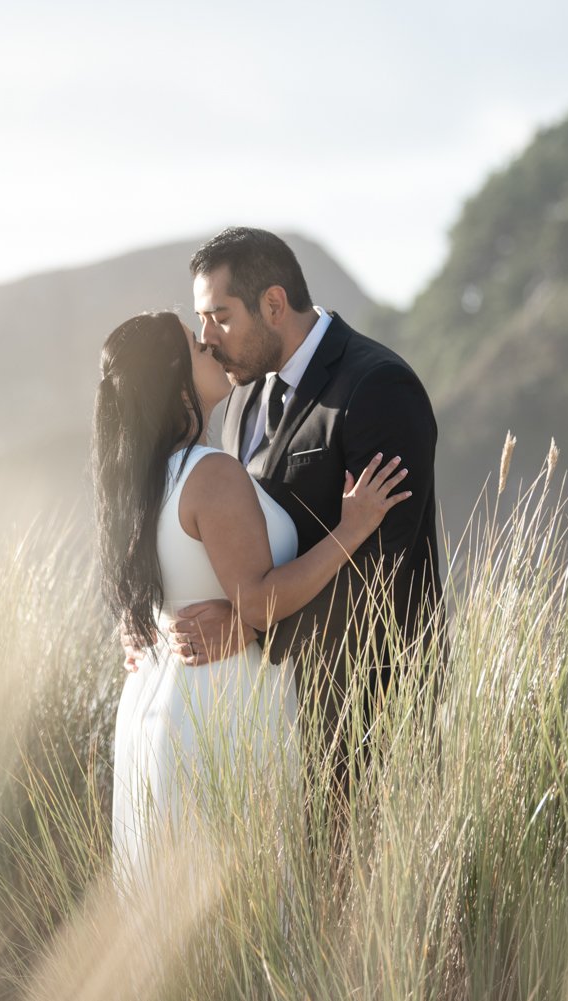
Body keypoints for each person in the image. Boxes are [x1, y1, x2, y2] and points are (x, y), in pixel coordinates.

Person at [92, 310, 410, 882]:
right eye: (196, 344)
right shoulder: (210, 472)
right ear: (174, 373)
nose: (209, 346)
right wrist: (354, 527)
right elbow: (261, 602)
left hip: (154, 714)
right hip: (220, 715)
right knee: (244, 917)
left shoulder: (140, 483)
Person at [157, 226, 445, 855]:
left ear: (273, 304)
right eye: (200, 319)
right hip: (275, 714)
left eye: (219, 316)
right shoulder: (237, 403)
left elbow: (387, 565)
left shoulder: (376, 386)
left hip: (370, 709)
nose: (205, 337)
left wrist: (250, 623)